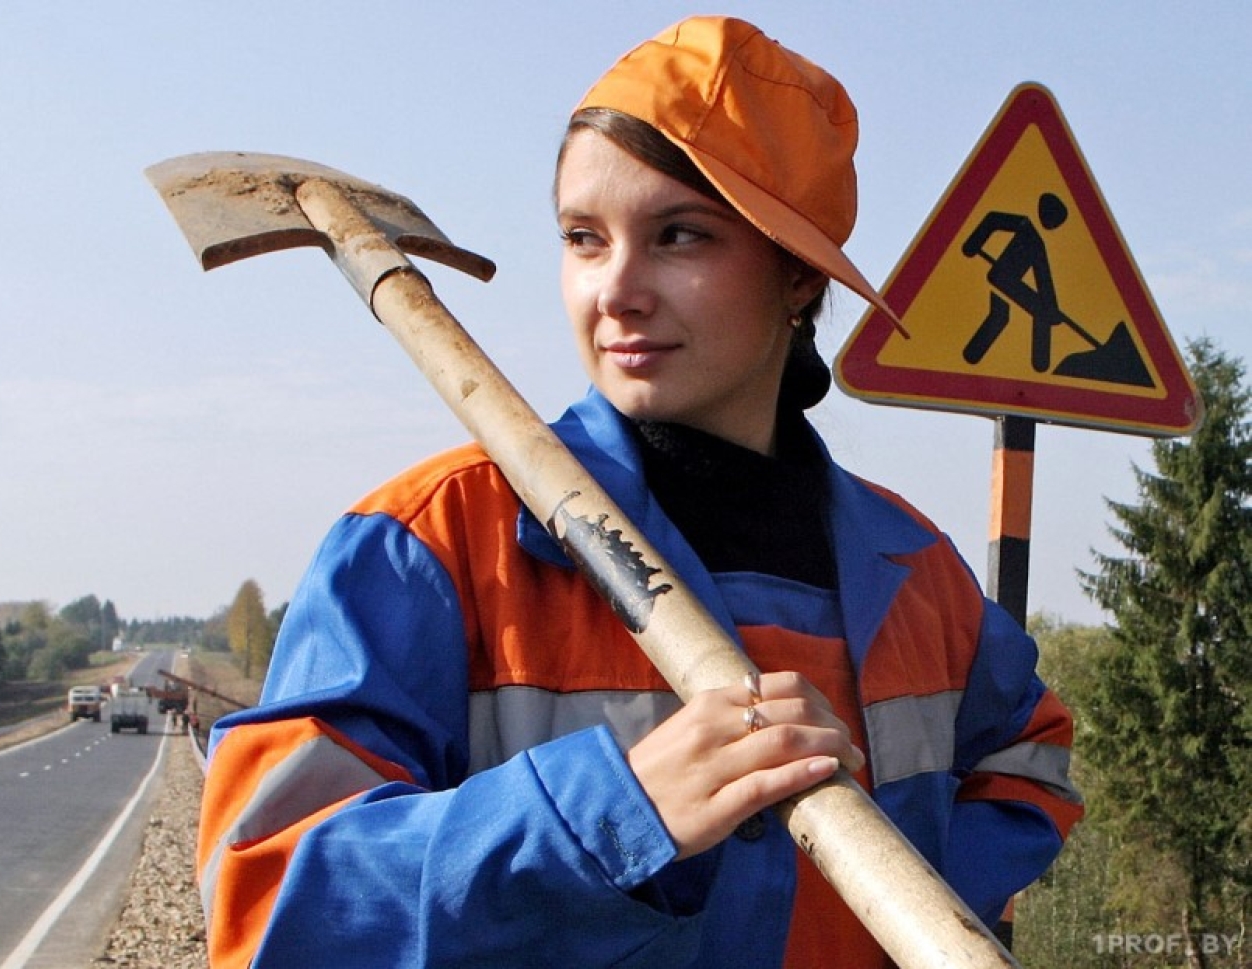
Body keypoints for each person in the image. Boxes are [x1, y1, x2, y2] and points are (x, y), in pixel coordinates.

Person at [196, 16, 1083, 968]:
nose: (615, 289)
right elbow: (265, 896)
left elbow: (1029, 763)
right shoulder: (434, 546)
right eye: (584, 238)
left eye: (679, 235)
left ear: (796, 275)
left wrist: (890, 907)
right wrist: (613, 814)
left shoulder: (913, 571)